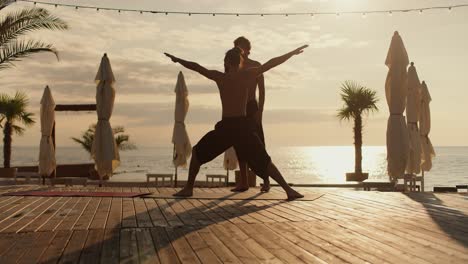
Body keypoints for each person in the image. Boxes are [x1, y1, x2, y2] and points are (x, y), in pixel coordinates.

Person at [164, 44, 307, 200]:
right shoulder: (246, 75)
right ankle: (288, 190)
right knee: (264, 160)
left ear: (226, 63)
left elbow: (197, 67)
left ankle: (188, 188)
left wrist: (178, 60)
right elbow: (270, 64)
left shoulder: (220, 77)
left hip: (227, 127)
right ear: (240, 63)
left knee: (197, 153)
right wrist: (291, 53)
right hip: (242, 127)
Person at [232, 36, 269, 193]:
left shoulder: (255, 66)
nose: (239, 51)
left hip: (252, 107)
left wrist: (260, 111)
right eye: (236, 48)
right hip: (237, 109)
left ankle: (266, 181)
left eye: (241, 48)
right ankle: (244, 182)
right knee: (239, 144)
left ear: (248, 49)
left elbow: (261, 90)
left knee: (259, 143)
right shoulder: (234, 67)